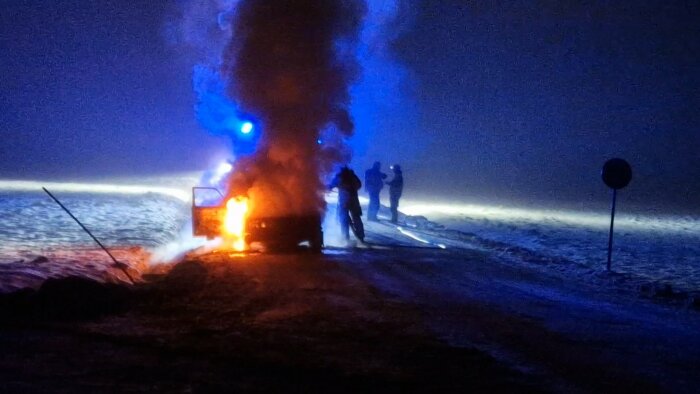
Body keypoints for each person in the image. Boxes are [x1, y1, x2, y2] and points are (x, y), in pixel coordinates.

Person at [329, 166, 365, 243]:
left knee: (344, 219)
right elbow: (359, 185)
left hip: (344, 201)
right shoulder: (352, 176)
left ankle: (345, 237)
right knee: (356, 218)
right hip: (354, 200)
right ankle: (361, 236)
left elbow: (331, 185)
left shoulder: (339, 177)